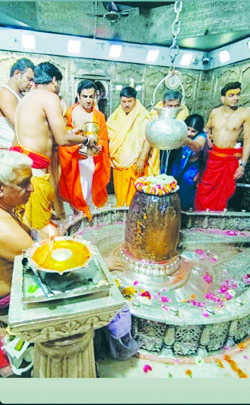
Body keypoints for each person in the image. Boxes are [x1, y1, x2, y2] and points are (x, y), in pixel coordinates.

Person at [10, 62, 95, 232]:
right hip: (33, 173)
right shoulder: (50, 97)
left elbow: (38, 134)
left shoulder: (26, 98)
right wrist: (86, 140)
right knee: (39, 229)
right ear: (54, 81)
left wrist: (73, 134)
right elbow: (62, 139)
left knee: (26, 224)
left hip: (19, 167)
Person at [58, 79, 110, 220]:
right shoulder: (70, 113)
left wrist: (99, 148)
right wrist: (76, 148)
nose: (88, 100)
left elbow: (103, 138)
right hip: (75, 161)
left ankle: (86, 218)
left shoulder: (99, 116)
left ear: (95, 97)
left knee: (89, 193)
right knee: (76, 193)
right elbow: (64, 137)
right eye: (85, 96)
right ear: (78, 96)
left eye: (91, 97)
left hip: (93, 161)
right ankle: (79, 218)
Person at [195, 81, 250, 211]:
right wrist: (207, 135)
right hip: (213, 159)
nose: (236, 98)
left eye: (238, 95)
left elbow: (248, 141)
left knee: (224, 194)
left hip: (230, 161)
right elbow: (206, 128)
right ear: (223, 98)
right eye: (231, 95)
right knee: (204, 189)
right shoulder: (214, 112)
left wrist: (242, 165)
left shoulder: (244, 114)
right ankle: (199, 218)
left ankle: (215, 223)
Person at [107, 86, 159, 207]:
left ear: (135, 100)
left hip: (136, 162)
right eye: (124, 102)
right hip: (119, 161)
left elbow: (149, 138)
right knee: (120, 193)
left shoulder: (143, 116)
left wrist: (142, 158)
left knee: (134, 196)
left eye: (130, 101)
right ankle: (122, 211)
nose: (126, 105)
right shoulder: (116, 115)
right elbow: (109, 131)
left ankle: (134, 217)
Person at [0, 150, 33, 308]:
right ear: (1, 189)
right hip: (9, 305)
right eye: (24, 183)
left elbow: (34, 234)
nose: (32, 188)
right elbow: (44, 262)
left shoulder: (7, 210)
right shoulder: (3, 228)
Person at [170, 114, 208, 210]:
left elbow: (198, 146)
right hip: (177, 165)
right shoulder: (179, 130)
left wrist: (185, 140)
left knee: (185, 193)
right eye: (187, 129)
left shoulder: (201, 136)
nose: (189, 133)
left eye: (193, 131)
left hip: (191, 169)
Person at [150, 89, 189, 174]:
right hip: (158, 148)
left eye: (176, 106)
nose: (173, 109)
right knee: (159, 172)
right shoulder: (155, 113)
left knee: (173, 174)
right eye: (170, 106)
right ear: (163, 104)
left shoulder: (183, 112)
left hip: (176, 148)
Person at [0, 58, 35, 148]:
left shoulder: (19, 95)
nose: (31, 84)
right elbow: (21, 126)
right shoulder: (5, 93)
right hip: (8, 153)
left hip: (16, 151)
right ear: (17, 74)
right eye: (29, 79)